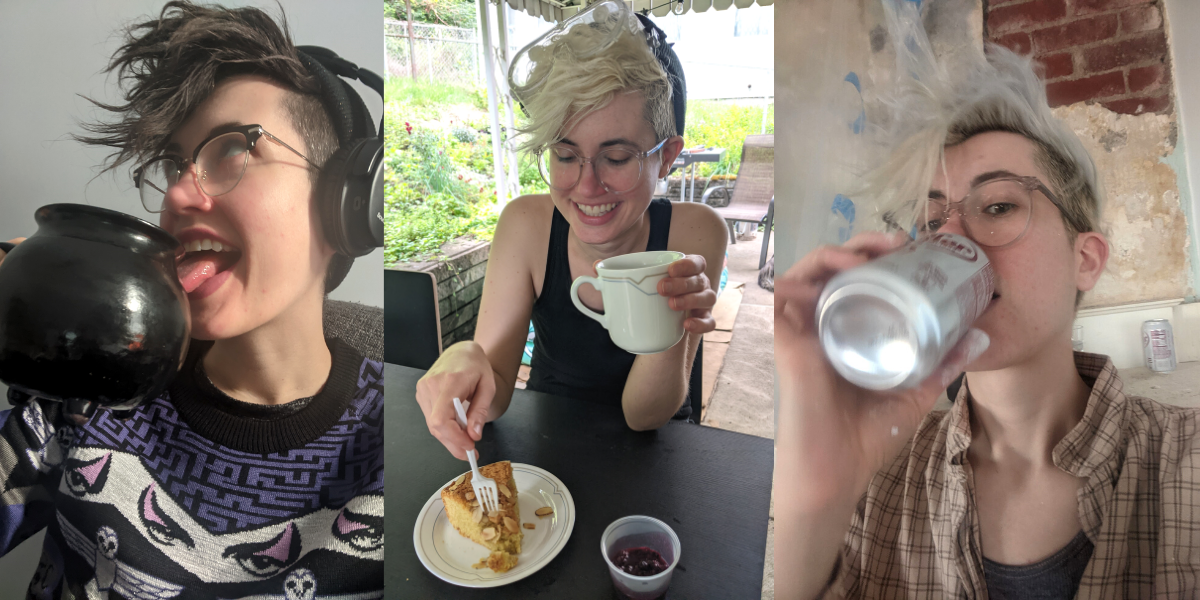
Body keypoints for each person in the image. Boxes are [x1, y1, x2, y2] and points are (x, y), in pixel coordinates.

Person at [776, 46, 1200, 599]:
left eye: (998, 206)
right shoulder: (881, 476)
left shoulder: (1185, 463)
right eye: (932, 221)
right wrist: (815, 494)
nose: (954, 239)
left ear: (1086, 259)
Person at [0, 2, 383, 595]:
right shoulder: (93, 393)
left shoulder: (396, 439)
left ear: (348, 205)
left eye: (231, 148)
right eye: (175, 165)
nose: (177, 196)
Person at [415, 1, 728, 461]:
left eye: (616, 157)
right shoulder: (526, 225)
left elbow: (645, 416)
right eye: (564, 155)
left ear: (665, 156)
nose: (586, 186)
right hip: (547, 438)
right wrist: (466, 360)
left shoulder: (697, 232)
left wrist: (676, 309)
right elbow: (497, 394)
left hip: (657, 457)